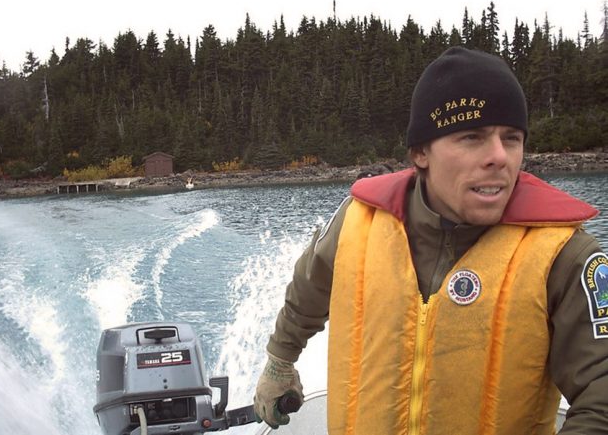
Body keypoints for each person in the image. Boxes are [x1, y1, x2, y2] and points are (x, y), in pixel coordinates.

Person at [253, 46, 608, 434]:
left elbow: (601, 391)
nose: (498, 157)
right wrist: (280, 361)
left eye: (511, 138)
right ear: (421, 151)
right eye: (472, 137)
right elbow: (309, 289)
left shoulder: (567, 255)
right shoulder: (360, 221)